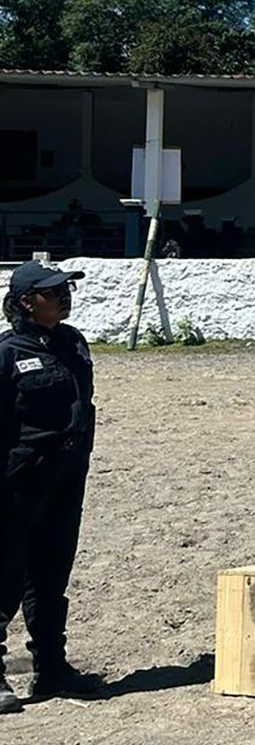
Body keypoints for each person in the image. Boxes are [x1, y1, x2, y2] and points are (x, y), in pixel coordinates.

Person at [0, 260, 104, 712]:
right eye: (52, 291)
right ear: (27, 301)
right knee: (4, 571)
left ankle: (51, 668)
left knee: (51, 570)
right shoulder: (7, 354)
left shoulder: (73, 342)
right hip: (18, 479)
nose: (64, 296)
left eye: (65, 289)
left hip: (66, 475)